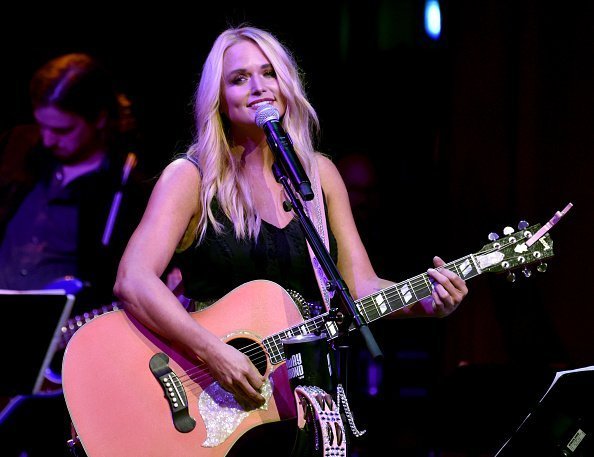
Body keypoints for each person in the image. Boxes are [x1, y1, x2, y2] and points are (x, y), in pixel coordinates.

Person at [114, 25, 468, 455]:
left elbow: (358, 288)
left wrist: (427, 302)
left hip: (307, 405)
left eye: (269, 74)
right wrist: (213, 352)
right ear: (219, 99)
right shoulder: (191, 178)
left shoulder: (318, 177)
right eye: (239, 78)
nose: (259, 87)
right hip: (216, 403)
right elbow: (134, 279)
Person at [0, 52, 152, 456]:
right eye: (43, 126)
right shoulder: (24, 157)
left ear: (99, 118)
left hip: (55, 367)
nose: (48, 139)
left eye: (63, 129)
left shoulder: (123, 188)